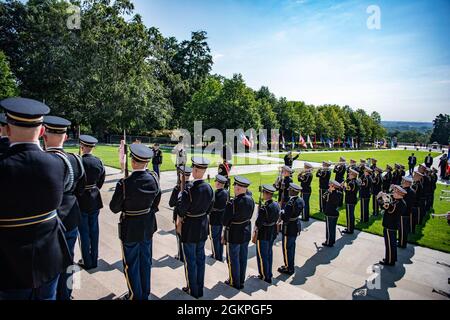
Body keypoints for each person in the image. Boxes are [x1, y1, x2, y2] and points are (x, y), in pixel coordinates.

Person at [0, 97, 71, 300]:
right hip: (49, 258)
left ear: (8, 130)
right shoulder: (57, 163)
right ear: (41, 132)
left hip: (10, 265)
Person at [43, 116, 87, 301]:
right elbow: (81, 189)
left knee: (49, 264)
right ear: (66, 137)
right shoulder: (75, 160)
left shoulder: (43, 160)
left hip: (50, 218)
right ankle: (67, 294)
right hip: (70, 215)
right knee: (70, 260)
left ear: (44, 135)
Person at [109, 144, 160, 300]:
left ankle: (134, 295)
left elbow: (114, 208)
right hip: (147, 227)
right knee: (145, 262)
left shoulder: (124, 184)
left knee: (131, 264)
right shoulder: (154, 179)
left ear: (132, 161)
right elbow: (156, 202)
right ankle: (145, 293)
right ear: (146, 162)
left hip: (130, 228)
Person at [177, 157, 214, 299]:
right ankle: (199, 289)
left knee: (190, 261)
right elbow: (210, 208)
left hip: (190, 229)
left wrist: (181, 197)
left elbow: (181, 211)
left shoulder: (189, 190)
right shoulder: (209, 188)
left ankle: (192, 289)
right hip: (202, 227)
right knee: (200, 259)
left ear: (196, 170)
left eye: (193, 168)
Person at [77, 135, 106, 270]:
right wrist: (93, 189)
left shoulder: (78, 161)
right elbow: (101, 181)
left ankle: (86, 261)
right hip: (94, 198)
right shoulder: (99, 161)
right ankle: (94, 259)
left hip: (81, 199)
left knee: (84, 232)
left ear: (82, 147)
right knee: (94, 231)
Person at [223, 176, 255, 290]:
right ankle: (241, 281)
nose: (235, 187)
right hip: (245, 232)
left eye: (236, 185)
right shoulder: (251, 199)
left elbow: (225, 221)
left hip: (234, 234)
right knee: (242, 258)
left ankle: (234, 282)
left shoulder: (232, 203)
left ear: (238, 188)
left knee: (233, 259)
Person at [255, 185, 280, 283]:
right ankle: (268, 273)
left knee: (262, 255)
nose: (263, 195)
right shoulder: (276, 204)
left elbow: (258, 223)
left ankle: (265, 275)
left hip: (264, 234)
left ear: (267, 194)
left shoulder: (264, 208)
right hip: (272, 232)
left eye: (263, 193)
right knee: (269, 254)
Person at [278, 183, 303, 275]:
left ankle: (288, 267)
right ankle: (290, 265)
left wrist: (281, 212)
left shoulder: (290, 203)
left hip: (289, 228)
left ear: (292, 191)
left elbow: (285, 218)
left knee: (287, 248)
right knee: (292, 247)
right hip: (296, 225)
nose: (288, 191)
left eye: (289, 190)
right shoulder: (300, 200)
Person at [169, 166, 193, 262]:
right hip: (189, 216)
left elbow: (171, 203)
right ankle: (186, 255)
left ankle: (181, 256)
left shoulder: (178, 188)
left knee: (179, 237)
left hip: (179, 215)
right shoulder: (192, 186)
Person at [379, 185, 407, 266]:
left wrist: (380, 198)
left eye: (395, 191)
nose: (393, 192)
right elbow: (389, 206)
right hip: (393, 225)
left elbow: (385, 207)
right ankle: (392, 258)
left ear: (398, 193)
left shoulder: (396, 203)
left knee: (389, 244)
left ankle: (389, 261)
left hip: (389, 225)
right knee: (392, 243)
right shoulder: (401, 202)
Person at [209, 175, 229, 262]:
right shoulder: (226, 192)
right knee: (220, 239)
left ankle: (216, 255)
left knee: (214, 238)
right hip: (222, 218)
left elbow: (212, 206)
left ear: (218, 183)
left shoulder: (216, 193)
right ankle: (219, 255)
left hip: (215, 219)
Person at [322, 180, 343, 247]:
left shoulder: (330, 194)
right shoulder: (339, 193)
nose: (329, 186)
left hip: (329, 213)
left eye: (330, 185)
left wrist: (328, 191)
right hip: (335, 213)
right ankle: (332, 241)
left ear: (333, 187)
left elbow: (323, 197)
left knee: (329, 229)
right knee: (333, 228)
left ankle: (328, 242)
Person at [342, 169, 359, 235]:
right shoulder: (355, 181)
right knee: (351, 215)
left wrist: (343, 186)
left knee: (349, 215)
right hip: (353, 199)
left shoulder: (351, 183)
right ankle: (350, 227)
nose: (348, 174)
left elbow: (347, 191)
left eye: (350, 174)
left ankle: (349, 229)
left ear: (353, 175)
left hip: (350, 200)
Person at [399, 177, 414, 249]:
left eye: (404, 181)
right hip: (406, 212)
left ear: (408, 183)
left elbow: (405, 203)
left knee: (402, 229)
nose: (402, 182)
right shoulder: (409, 190)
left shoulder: (408, 191)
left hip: (404, 213)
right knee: (402, 229)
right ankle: (401, 241)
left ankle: (402, 243)